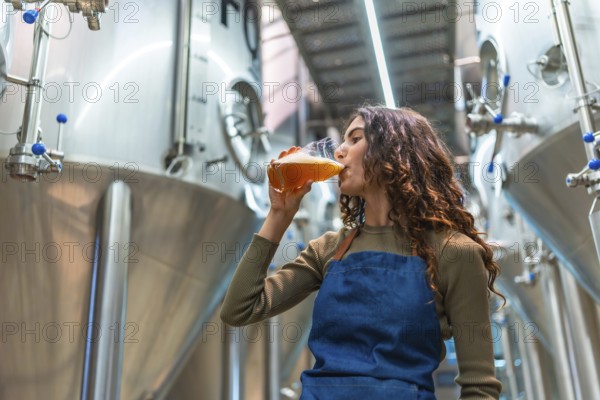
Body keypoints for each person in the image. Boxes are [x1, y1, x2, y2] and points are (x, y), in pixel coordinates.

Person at [220, 106, 504, 399]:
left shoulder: (454, 252)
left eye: (354, 139)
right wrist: (278, 217)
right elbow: (240, 309)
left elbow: (479, 387)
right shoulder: (330, 248)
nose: (339, 152)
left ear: (395, 151)